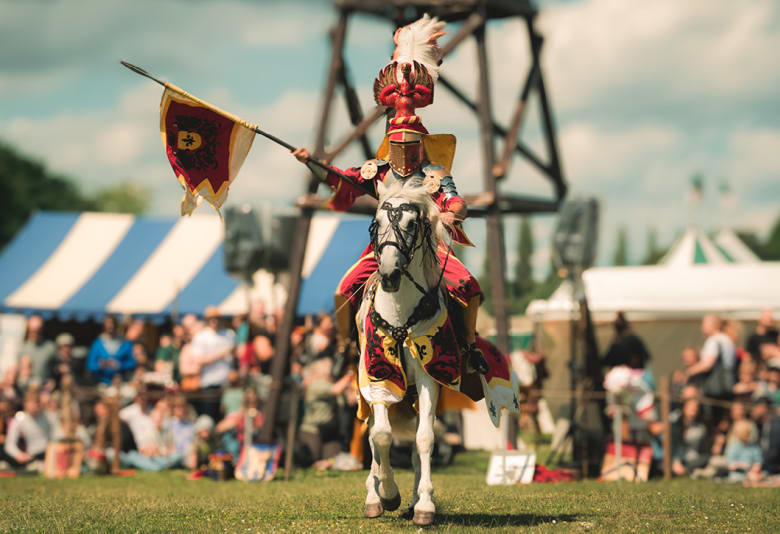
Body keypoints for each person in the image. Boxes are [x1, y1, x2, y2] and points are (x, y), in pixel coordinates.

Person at [290, 20, 488, 375]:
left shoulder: (433, 175)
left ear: (420, 143)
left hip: (429, 249)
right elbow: (339, 178)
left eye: (410, 144)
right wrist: (312, 164)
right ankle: (345, 347)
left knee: (469, 288)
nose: (404, 150)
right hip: (384, 248)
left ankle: (469, 348)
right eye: (398, 144)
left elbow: (455, 200)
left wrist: (452, 213)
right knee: (344, 289)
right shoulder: (378, 172)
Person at [190, 307, 234, 419]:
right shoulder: (201, 337)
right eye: (211, 319)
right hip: (210, 383)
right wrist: (221, 354)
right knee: (210, 417)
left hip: (227, 384)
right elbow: (198, 360)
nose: (215, 322)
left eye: (217, 319)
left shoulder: (229, 334)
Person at [686, 315, 736, 402]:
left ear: (713, 325)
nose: (702, 326)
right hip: (728, 384)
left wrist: (689, 371)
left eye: (704, 323)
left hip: (716, 387)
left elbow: (707, 364)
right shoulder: (727, 339)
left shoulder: (714, 340)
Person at [3, 390, 52, 469]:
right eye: (33, 402)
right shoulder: (19, 419)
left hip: (49, 454)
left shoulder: (48, 417)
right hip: (31, 457)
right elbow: (9, 445)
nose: (36, 405)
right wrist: (18, 454)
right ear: (25, 403)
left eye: (38, 402)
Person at [87, 316, 136, 385]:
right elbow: (90, 365)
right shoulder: (97, 344)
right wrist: (101, 364)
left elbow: (132, 363)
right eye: (108, 323)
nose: (110, 326)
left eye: (112, 323)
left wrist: (119, 365)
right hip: (102, 383)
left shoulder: (125, 343)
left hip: (121, 382)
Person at [17, 315, 56, 389]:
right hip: (27, 388)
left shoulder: (50, 347)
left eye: (38, 330)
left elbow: (56, 368)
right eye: (32, 331)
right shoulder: (23, 348)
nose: (35, 333)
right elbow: (20, 370)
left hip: (45, 388)